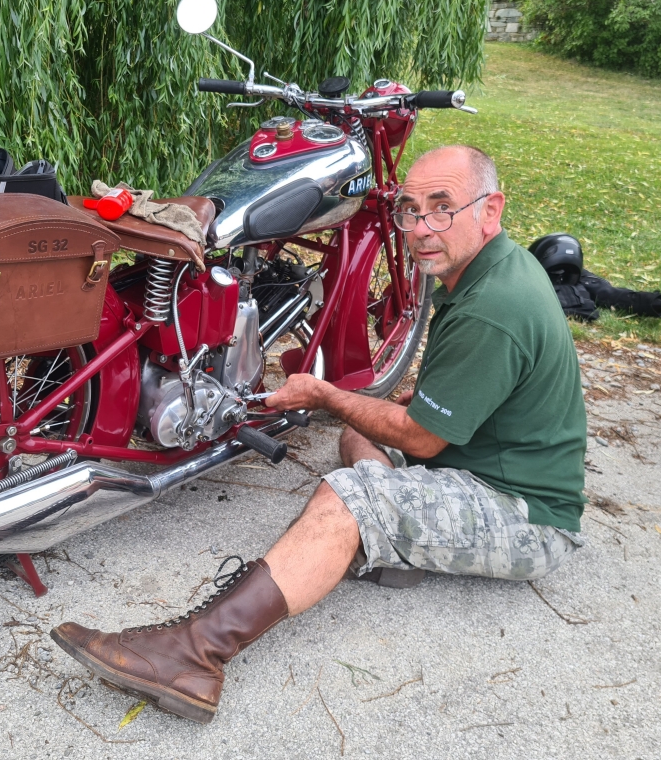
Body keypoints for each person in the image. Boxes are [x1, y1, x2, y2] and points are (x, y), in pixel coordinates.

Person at [49, 145, 588, 724]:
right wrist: (395, 409)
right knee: (358, 441)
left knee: (350, 495)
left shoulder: (493, 307)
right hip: (472, 460)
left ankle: (195, 655)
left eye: (442, 207)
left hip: (524, 515)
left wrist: (326, 395)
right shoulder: (493, 269)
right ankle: (393, 542)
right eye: (409, 210)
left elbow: (424, 441)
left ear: (490, 209)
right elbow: (463, 400)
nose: (420, 228)